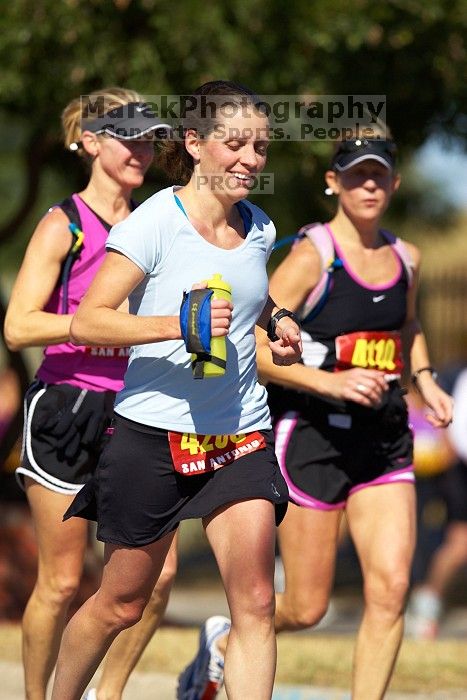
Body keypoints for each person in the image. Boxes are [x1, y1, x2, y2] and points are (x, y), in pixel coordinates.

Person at [49, 80, 302, 700]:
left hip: (238, 431)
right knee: (121, 602)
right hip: (153, 434)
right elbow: (89, 318)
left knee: (256, 605)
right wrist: (174, 326)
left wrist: (276, 320)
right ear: (195, 143)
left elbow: (247, 291)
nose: (250, 159)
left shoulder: (260, 227)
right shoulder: (155, 221)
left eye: (261, 147)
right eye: (235, 144)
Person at [180, 132, 454, 700]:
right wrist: (330, 381)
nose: (369, 185)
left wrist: (424, 380)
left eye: (379, 175)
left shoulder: (408, 257)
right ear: (334, 183)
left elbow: (409, 329)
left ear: (395, 183)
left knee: (391, 588)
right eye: (356, 175)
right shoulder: (314, 256)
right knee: (307, 607)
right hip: (312, 437)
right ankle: (224, 643)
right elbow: (251, 343)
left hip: (384, 436)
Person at [4, 87, 178, 700]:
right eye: (127, 136)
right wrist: (92, 322)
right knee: (61, 581)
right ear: (92, 142)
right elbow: (18, 325)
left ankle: (108, 694)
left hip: (137, 410)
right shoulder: (64, 225)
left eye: (149, 139)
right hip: (65, 409)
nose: (141, 150)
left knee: (157, 581)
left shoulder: (159, 223)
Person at [406, 368, 467, 639]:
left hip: (443, 473)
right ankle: (424, 607)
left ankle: (425, 604)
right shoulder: (457, 374)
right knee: (446, 542)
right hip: (440, 476)